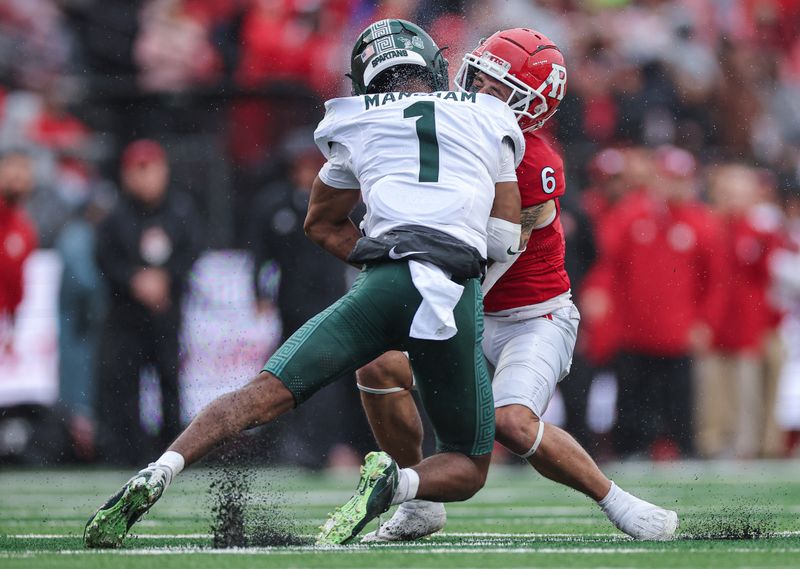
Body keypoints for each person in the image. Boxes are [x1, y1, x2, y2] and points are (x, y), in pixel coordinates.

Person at [84, 19, 525, 549]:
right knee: (468, 465)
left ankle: (160, 469)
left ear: (365, 80)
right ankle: (398, 484)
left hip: (384, 279)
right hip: (452, 287)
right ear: (433, 66)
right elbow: (502, 237)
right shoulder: (488, 117)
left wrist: (379, 254)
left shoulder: (357, 123)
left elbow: (319, 222)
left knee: (259, 394)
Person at [355, 29, 679, 543]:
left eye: (498, 89)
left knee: (512, 422)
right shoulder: (439, 126)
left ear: (531, 108)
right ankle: (419, 505)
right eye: (477, 77)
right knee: (377, 363)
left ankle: (616, 500)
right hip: (462, 299)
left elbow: (494, 254)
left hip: (528, 313)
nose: (480, 92)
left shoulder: (533, 161)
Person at [94, 139, 203, 465]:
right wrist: (133, 280)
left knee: (170, 382)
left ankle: (174, 453)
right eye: (137, 171)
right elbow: (104, 258)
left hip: (166, 314)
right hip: (127, 315)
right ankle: (126, 455)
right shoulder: (115, 215)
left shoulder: (181, 210)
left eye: (150, 170)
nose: (145, 179)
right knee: (125, 384)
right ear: (126, 175)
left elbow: (192, 250)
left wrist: (166, 277)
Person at [0, 149, 38, 358]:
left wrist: (13, 326)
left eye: (24, 173)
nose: (18, 178)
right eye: (12, 169)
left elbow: (15, 283)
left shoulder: (25, 228)